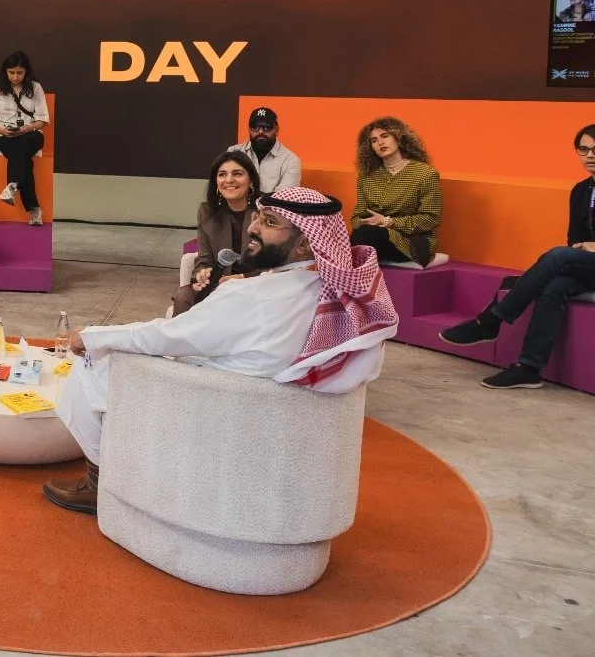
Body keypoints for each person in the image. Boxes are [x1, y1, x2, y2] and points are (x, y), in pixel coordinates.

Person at [43, 187, 397, 514]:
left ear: (305, 243)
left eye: (269, 222)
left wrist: (92, 336)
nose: (253, 228)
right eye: (257, 217)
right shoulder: (327, 293)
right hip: (261, 412)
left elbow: (165, 336)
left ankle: (102, 483)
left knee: (93, 362)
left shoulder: (253, 299)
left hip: (208, 408)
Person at [440, 124, 595, 389]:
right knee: (555, 286)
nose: (590, 155)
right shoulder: (581, 190)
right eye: (584, 149)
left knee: (558, 256)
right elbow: (574, 240)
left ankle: (490, 321)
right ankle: (529, 368)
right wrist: (581, 247)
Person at [172, 150, 262, 316]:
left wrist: (243, 278)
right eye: (222, 175)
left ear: (250, 180)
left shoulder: (267, 212)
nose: (229, 180)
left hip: (256, 285)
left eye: (237, 174)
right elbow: (204, 259)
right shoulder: (207, 212)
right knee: (184, 296)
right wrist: (202, 274)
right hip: (219, 284)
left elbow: (275, 262)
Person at [350, 116, 443, 267]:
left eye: (385, 136)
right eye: (374, 140)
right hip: (371, 233)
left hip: (411, 241)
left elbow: (430, 219)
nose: (380, 142)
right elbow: (356, 216)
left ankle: (341, 273)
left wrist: (388, 222)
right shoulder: (366, 176)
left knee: (368, 236)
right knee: (363, 233)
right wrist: (367, 221)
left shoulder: (425, 174)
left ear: (398, 138)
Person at [0, 51, 50, 226]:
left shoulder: (35, 88)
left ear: (26, 72)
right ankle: (34, 209)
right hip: (4, 135)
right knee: (24, 160)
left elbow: (43, 119)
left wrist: (29, 127)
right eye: (12, 73)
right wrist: (2, 130)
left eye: (20, 73)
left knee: (24, 143)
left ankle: (13, 184)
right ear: (5, 72)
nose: (15, 77)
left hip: (31, 134)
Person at [229, 106, 301, 193]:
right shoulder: (233, 152)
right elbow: (228, 187)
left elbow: (284, 197)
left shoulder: (290, 160)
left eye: (267, 127)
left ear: (277, 130)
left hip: (271, 203)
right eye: (255, 127)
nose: (261, 131)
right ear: (249, 129)